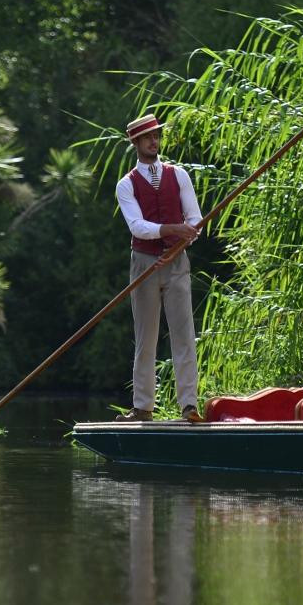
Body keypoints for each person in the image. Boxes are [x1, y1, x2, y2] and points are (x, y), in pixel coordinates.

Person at [113, 114, 202, 422]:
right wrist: (169, 231)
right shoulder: (126, 185)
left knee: (184, 335)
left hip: (177, 261)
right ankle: (143, 407)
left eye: (156, 135)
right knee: (146, 337)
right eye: (147, 137)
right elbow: (137, 227)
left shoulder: (179, 175)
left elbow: (194, 222)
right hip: (145, 263)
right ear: (136, 143)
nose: (154, 141)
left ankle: (189, 405)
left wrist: (179, 243)